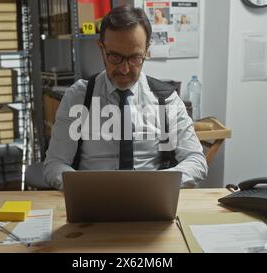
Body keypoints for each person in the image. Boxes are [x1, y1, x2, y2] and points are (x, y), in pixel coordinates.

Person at [43, 6, 207, 190]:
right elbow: (54, 163)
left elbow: (196, 160)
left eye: (135, 58)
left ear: (147, 50)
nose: (125, 69)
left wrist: (159, 184)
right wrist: (84, 189)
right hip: (93, 200)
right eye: (115, 57)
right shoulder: (79, 97)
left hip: (152, 199)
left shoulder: (166, 100)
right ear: (101, 48)